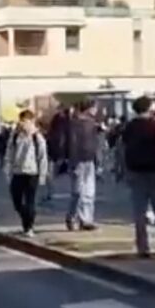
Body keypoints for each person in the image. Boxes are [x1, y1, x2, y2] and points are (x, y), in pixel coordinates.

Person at [123, 96, 155, 258]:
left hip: (136, 172)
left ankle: (143, 248)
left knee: (139, 212)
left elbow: (123, 148)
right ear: (149, 108)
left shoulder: (129, 127)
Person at [4, 109, 48, 237]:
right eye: (21, 121)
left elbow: (42, 157)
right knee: (16, 199)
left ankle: (29, 226)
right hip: (18, 172)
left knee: (30, 200)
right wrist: (7, 170)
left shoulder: (37, 137)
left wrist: (43, 175)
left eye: (25, 121)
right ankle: (26, 217)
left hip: (32, 172)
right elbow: (9, 154)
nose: (23, 124)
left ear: (31, 121)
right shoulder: (15, 136)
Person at [66, 99, 100, 231]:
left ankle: (86, 220)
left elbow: (96, 144)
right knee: (78, 192)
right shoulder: (75, 123)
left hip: (89, 160)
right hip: (78, 160)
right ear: (89, 108)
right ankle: (72, 216)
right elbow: (72, 143)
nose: (96, 110)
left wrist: (97, 160)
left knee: (89, 192)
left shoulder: (92, 123)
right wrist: (73, 161)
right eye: (94, 107)